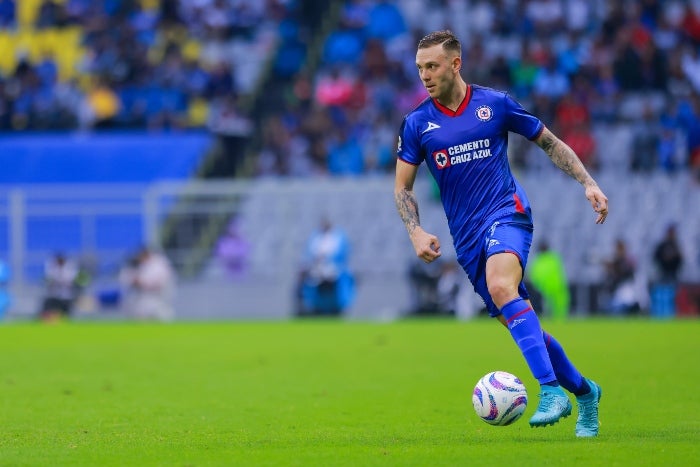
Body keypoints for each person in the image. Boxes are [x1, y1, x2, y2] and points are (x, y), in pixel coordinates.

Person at [394, 31, 608, 437]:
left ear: (455, 64)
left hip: (507, 213)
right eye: (420, 67)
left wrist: (588, 182)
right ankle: (584, 392)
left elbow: (549, 142)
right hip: (468, 238)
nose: (424, 75)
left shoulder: (495, 104)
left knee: (501, 286)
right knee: (521, 323)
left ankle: (550, 392)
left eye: (432, 66)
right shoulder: (417, 123)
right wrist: (415, 231)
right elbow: (402, 187)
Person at [297, 217, 355, 316]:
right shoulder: (316, 237)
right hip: (317, 268)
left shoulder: (338, 237)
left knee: (339, 280)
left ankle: (337, 306)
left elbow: (341, 255)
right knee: (307, 280)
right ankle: (311, 305)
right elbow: (309, 254)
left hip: (333, 268)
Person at [119, 246, 176, 321]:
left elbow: (156, 282)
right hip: (143, 298)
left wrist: (140, 282)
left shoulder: (158, 264)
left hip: (158, 298)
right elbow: (125, 279)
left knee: (161, 317)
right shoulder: (139, 265)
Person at [528, 240, 571, 321]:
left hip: (548, 288)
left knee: (552, 307)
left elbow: (534, 276)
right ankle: (560, 322)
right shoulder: (554, 258)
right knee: (557, 307)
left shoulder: (540, 260)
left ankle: (555, 322)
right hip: (555, 287)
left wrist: (537, 285)